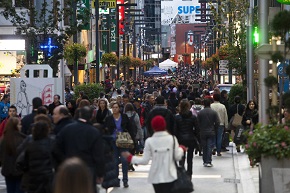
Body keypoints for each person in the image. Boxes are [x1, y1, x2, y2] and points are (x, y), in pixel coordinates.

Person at [121, 115, 185, 193]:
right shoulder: (172, 139)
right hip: (170, 175)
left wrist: (131, 158)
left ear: (153, 127)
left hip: (156, 176)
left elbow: (145, 161)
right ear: (164, 125)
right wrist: (181, 149)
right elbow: (177, 157)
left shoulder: (149, 141)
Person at [53, 106, 105, 192]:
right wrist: (100, 174)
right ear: (91, 116)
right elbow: (98, 155)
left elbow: (56, 148)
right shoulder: (94, 132)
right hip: (88, 168)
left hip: (69, 168)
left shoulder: (67, 129)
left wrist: (64, 161)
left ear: (79, 114)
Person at [17, 121, 54, 193]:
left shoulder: (30, 145)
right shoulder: (52, 143)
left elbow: (20, 162)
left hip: (33, 179)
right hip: (48, 179)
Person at [104, 102, 133, 188]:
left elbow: (130, 128)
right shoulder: (109, 119)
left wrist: (133, 140)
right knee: (115, 161)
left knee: (124, 161)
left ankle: (125, 180)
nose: (115, 109)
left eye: (116, 107)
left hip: (123, 140)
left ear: (119, 108)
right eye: (113, 108)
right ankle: (116, 180)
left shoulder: (124, 117)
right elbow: (106, 130)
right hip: (113, 141)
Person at [174, 99, 199, 178]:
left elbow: (175, 130)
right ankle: (189, 174)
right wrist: (195, 136)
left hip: (180, 139)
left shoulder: (177, 117)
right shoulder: (193, 117)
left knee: (181, 159)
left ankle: (182, 175)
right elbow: (197, 129)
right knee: (190, 159)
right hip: (190, 139)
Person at [0, 117, 26, 193]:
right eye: (19, 124)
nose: (21, 126)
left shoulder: (3, 140)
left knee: (10, 189)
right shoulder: (22, 139)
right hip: (19, 171)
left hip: (7, 170)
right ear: (15, 126)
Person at [197, 99, 220, 167]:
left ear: (203, 104)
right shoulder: (214, 112)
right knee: (209, 146)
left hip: (203, 132)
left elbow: (197, 123)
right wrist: (215, 129)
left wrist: (199, 129)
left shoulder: (200, 113)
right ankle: (209, 161)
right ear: (210, 103)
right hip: (211, 131)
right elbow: (218, 122)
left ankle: (204, 161)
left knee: (204, 147)